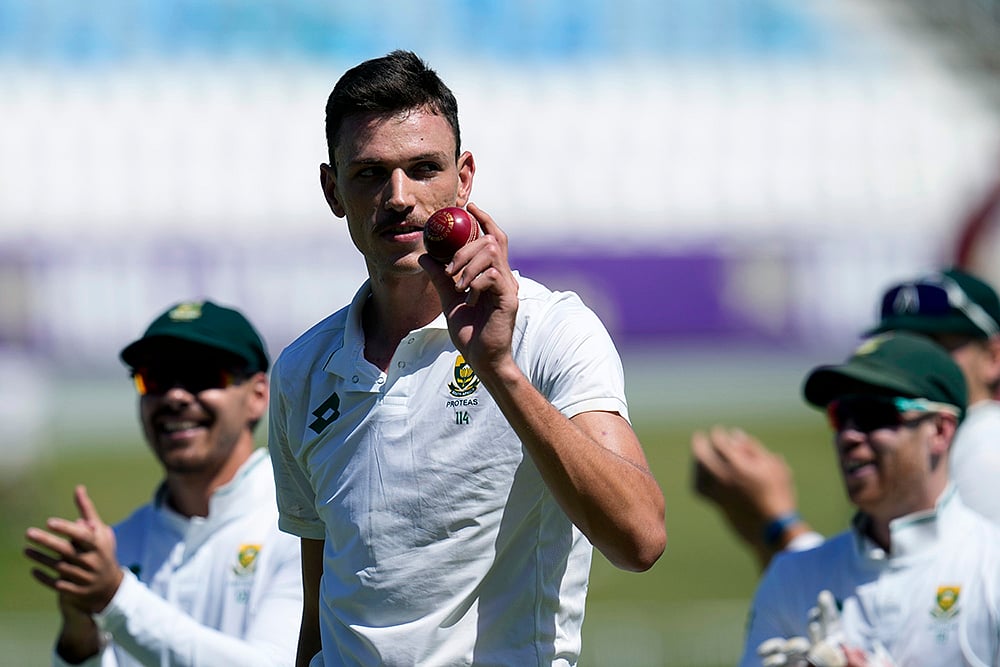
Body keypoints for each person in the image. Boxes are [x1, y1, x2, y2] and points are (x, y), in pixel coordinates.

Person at [267, 50, 667, 667]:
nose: (398, 197)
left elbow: (640, 536)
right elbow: (320, 608)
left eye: (423, 168)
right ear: (333, 190)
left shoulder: (552, 330)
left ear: (464, 177)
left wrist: (499, 368)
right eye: (370, 174)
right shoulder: (301, 370)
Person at [24, 300, 303, 667]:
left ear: (257, 396)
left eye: (202, 376)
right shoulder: (117, 545)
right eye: (155, 378)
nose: (174, 397)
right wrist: (81, 641)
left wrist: (116, 599)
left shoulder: (301, 527)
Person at [692, 267, 1000, 569]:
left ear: (993, 357)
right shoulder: (919, 447)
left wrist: (778, 522)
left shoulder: (987, 456)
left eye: (935, 344)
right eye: (898, 343)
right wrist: (762, 529)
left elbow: (918, 602)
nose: (912, 361)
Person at [740, 331, 1000, 666]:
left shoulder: (990, 570)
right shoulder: (791, 577)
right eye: (840, 415)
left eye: (872, 414)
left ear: (940, 430)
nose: (849, 434)